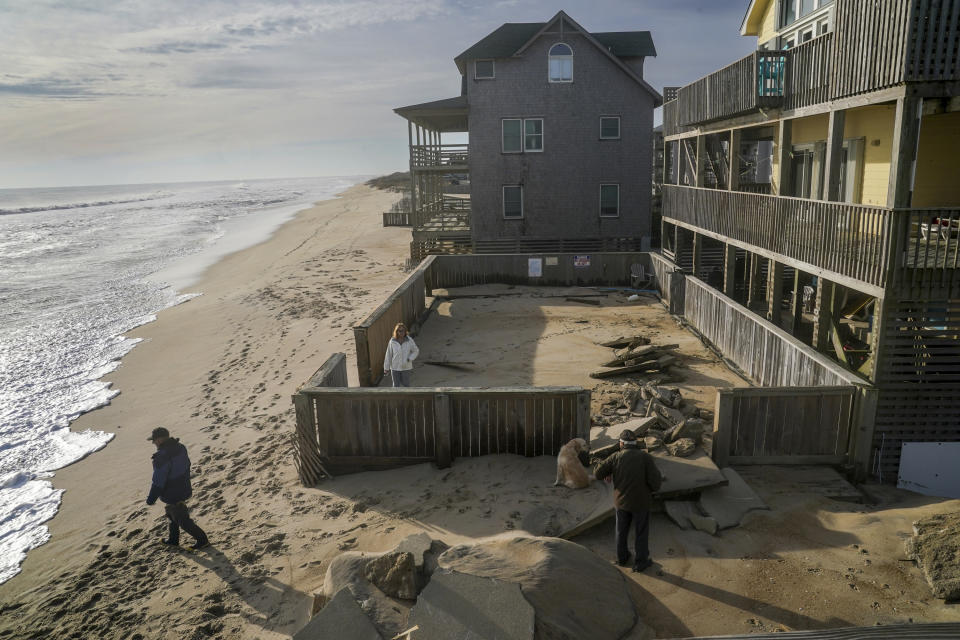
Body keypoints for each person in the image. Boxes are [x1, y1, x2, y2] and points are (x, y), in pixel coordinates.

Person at [594, 429, 662, 572]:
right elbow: (656, 483)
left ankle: (622, 558)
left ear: (621, 444)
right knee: (641, 532)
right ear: (635, 443)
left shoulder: (615, 457)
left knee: (621, 531)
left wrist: (611, 471)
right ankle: (641, 562)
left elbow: (598, 473)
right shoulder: (645, 458)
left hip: (621, 503)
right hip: (641, 503)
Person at [146, 427, 209, 550]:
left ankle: (202, 540)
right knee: (171, 514)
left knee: (182, 520)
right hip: (184, 486)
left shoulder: (161, 457)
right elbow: (187, 465)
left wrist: (151, 499)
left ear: (159, 439)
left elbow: (158, 481)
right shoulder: (180, 447)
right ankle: (173, 540)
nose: (153, 443)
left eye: (154, 440)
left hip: (172, 492)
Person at [383, 322, 419, 387]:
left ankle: (407, 397)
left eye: (403, 330)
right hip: (395, 367)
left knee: (406, 385)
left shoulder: (409, 340)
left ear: (405, 331)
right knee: (396, 386)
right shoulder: (392, 341)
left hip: (406, 367)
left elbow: (416, 351)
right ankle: (397, 397)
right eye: (399, 331)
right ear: (396, 331)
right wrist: (386, 368)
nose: (401, 332)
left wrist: (410, 358)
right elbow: (388, 354)